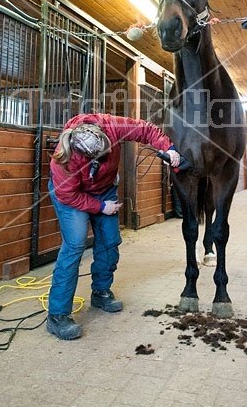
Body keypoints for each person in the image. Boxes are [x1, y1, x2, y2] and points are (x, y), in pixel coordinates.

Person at [47, 112, 180, 340]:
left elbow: (146, 130)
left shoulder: (112, 125)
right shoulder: (64, 158)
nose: (109, 153)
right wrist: (100, 207)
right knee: (75, 245)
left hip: (105, 187)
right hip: (73, 197)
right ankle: (57, 316)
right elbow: (67, 195)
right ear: (86, 156)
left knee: (109, 241)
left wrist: (168, 148)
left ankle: (101, 292)